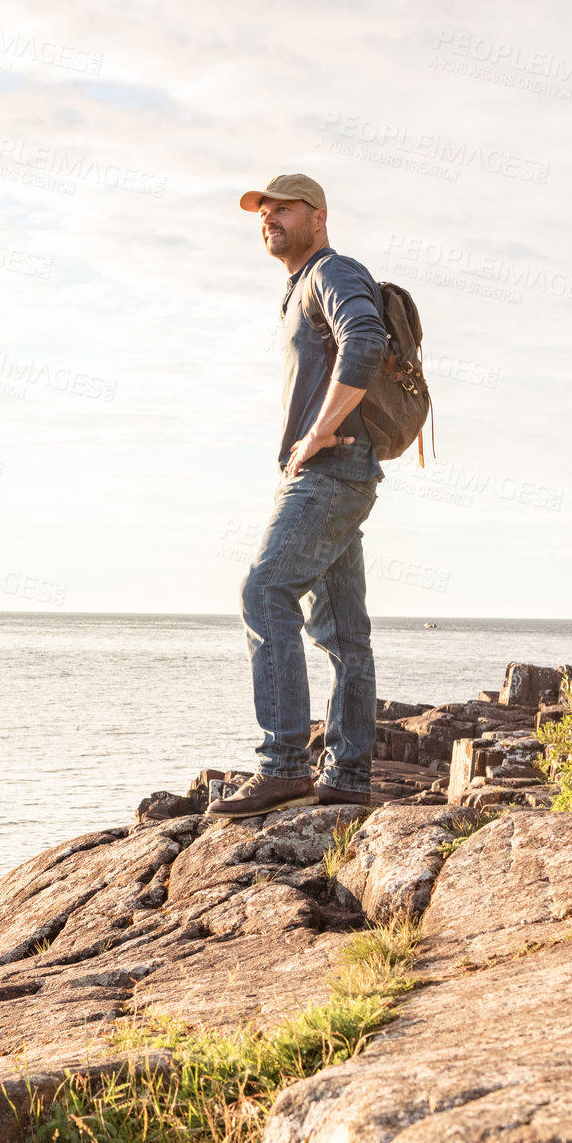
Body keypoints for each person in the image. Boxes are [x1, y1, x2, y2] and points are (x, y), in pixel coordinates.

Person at [208, 174, 387, 819]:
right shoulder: (299, 286)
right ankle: (347, 772)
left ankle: (284, 766)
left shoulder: (333, 272)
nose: (270, 218)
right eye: (264, 210)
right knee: (343, 630)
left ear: (320, 216)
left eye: (284, 208)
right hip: (340, 470)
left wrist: (318, 433)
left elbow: (367, 340)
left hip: (331, 469)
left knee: (264, 591)